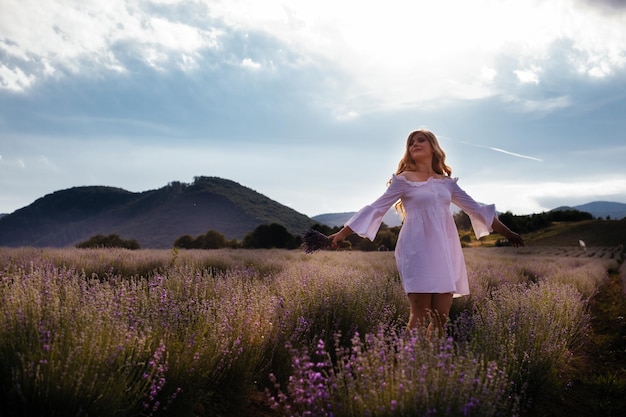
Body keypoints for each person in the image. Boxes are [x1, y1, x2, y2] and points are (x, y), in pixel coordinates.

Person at [330, 129, 524, 337]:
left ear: (433, 146)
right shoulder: (403, 180)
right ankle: (403, 364)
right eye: (411, 142)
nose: (414, 144)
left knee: (441, 317)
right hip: (416, 249)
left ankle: (429, 365)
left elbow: (476, 209)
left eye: (420, 140)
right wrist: (343, 233)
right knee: (420, 315)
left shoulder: (447, 183)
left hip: (445, 251)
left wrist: (508, 232)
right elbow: (376, 208)